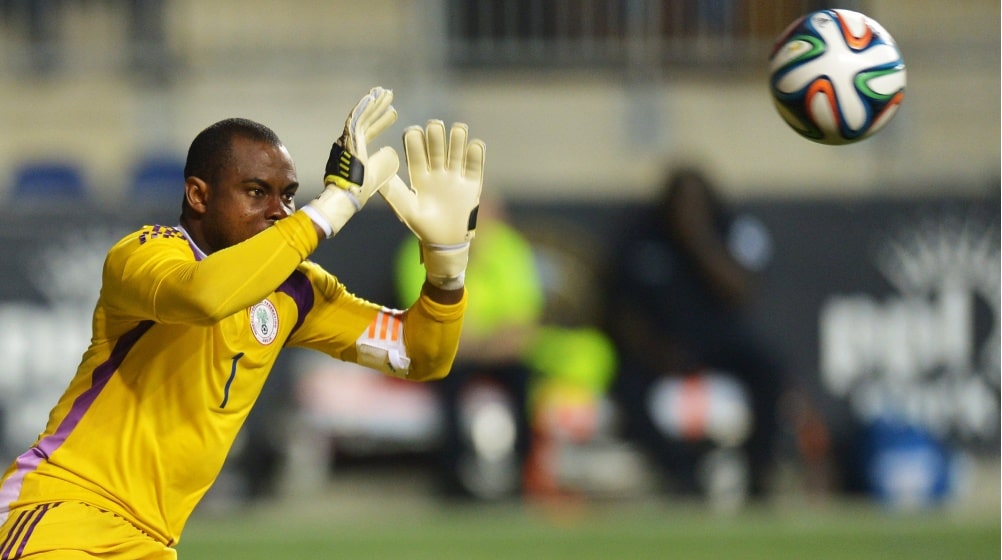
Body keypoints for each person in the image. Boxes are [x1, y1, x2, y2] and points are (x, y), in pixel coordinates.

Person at [0, 87, 486, 558]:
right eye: (256, 192)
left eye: (289, 196)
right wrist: (332, 205)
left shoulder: (295, 291)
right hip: (60, 513)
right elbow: (206, 295)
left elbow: (418, 353)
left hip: (151, 541)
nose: (278, 211)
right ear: (198, 195)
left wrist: (446, 267)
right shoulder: (143, 254)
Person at [603, 166, 793, 500]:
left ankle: (760, 470)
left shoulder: (726, 229)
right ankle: (682, 473)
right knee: (625, 389)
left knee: (770, 370)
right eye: (679, 202)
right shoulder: (642, 235)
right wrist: (656, 350)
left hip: (718, 341)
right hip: (660, 345)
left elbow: (741, 291)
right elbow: (622, 310)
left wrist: (698, 238)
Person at [394, 195, 544, 500]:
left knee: (526, 386)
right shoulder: (420, 252)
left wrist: (480, 344)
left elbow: (522, 326)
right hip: (448, 355)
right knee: (446, 390)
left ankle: (525, 476)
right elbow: (427, 325)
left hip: (496, 354)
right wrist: (472, 342)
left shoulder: (509, 249)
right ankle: (452, 481)